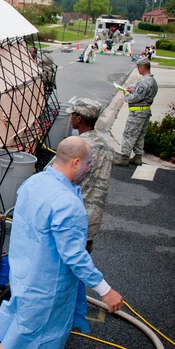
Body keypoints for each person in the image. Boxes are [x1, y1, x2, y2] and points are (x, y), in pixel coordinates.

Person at [0, 137, 124, 349]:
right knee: (21, 335)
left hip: (28, 269)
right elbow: (75, 256)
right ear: (75, 162)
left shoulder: (35, 182)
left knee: (56, 323)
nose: (90, 167)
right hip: (47, 281)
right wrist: (105, 289)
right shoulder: (67, 204)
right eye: (89, 163)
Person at [70, 99, 114, 253]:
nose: (71, 117)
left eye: (73, 114)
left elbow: (53, 177)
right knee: (82, 263)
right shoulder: (107, 147)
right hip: (91, 220)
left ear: (79, 118)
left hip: (70, 220)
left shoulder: (75, 146)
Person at [115, 58, 158, 166]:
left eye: (138, 67)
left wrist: (126, 93)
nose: (138, 69)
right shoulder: (152, 81)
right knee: (140, 135)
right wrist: (133, 90)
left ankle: (124, 157)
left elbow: (135, 98)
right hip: (145, 111)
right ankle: (138, 157)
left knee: (129, 134)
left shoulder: (144, 81)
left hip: (137, 113)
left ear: (143, 67)